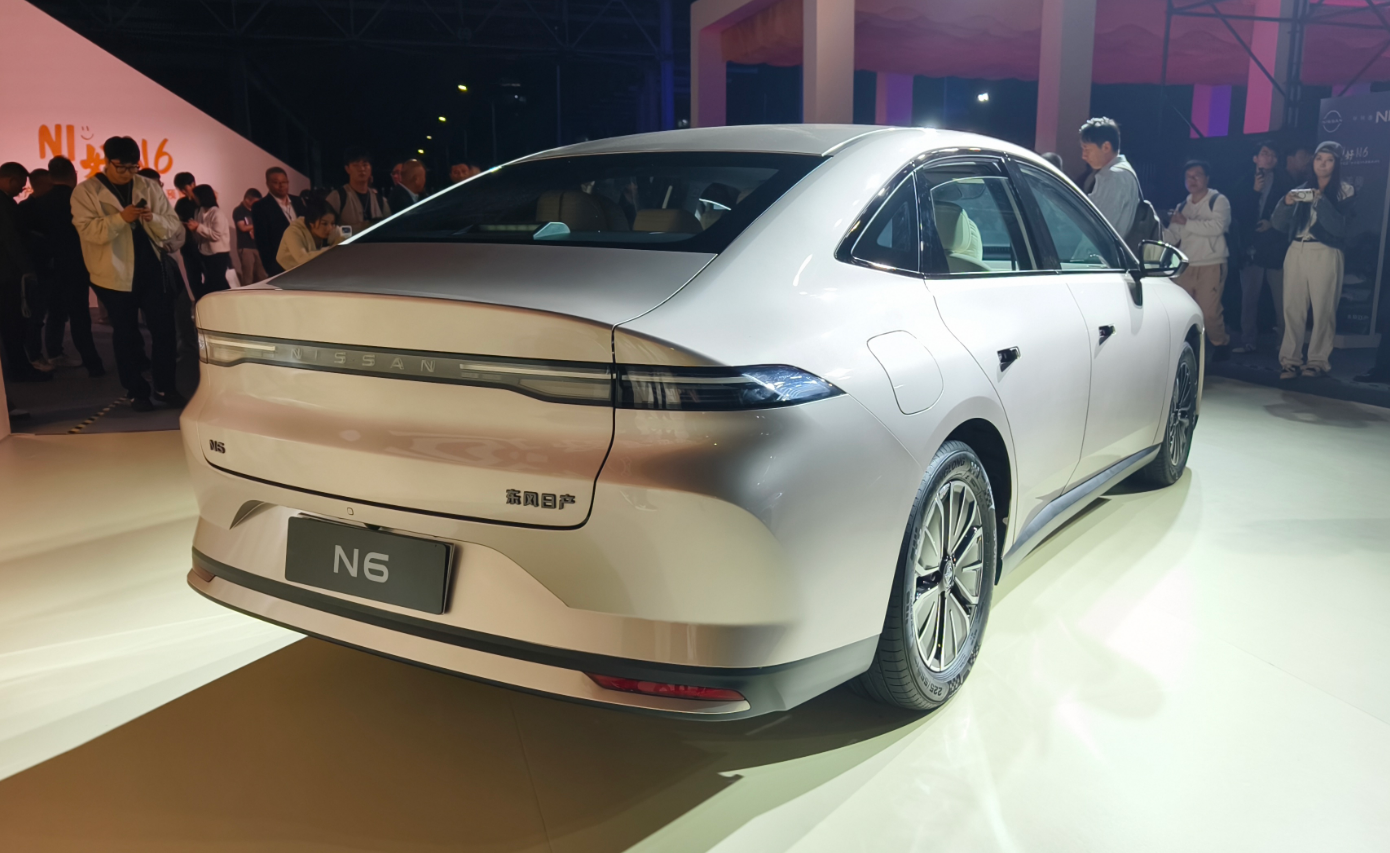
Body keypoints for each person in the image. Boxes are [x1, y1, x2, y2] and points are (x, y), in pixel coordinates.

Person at [70, 136, 183, 411]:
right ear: (107, 162)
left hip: (151, 269)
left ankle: (166, 387)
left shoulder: (148, 185)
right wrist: (121, 218)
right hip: (113, 273)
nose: (127, 173)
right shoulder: (86, 191)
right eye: (121, 167)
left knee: (164, 331)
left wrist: (152, 218)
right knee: (126, 334)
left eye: (133, 167)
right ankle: (136, 391)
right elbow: (88, 231)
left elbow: (172, 224)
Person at [1270, 141, 1356, 380]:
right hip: (1296, 249)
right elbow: (1278, 224)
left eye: (1329, 160)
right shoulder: (1300, 189)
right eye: (1319, 159)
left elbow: (1339, 228)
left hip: (1325, 250)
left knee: (1323, 309)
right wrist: (1286, 203)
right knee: (1292, 308)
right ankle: (1290, 361)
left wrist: (1320, 200)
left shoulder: (1345, 190)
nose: (1323, 164)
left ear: (1337, 164)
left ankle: (1318, 361)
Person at [21, 156, 104, 376]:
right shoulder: (79, 200)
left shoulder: (36, 204)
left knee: (44, 313)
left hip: (46, 267)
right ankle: (91, 362)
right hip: (77, 265)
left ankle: (44, 355)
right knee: (78, 316)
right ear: (73, 174)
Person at [1163, 160, 1233, 359]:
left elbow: (1218, 227)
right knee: (1183, 310)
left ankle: (1220, 343)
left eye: (1196, 175)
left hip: (1212, 263)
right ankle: (1190, 348)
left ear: (1207, 178)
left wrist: (1186, 222)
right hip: (1186, 265)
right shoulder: (1183, 205)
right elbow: (1173, 237)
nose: (1192, 180)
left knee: (1209, 311)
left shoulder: (1218, 200)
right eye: (1188, 177)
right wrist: (1156, 226)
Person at [1233, 140, 1294, 354]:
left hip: (1275, 247)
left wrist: (1273, 224)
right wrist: (1255, 191)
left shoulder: (1285, 183)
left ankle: (1284, 342)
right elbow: (1238, 214)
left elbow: (1292, 216)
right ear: (1255, 158)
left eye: (1273, 155)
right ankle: (1248, 340)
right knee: (1249, 298)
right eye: (1265, 153)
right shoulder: (1244, 182)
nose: (1269, 158)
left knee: (1281, 299)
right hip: (1251, 248)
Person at [0, 161, 51, 383]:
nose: (22, 189)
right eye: (20, 185)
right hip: (8, 274)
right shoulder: (4, 204)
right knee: (13, 322)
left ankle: (18, 367)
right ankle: (20, 369)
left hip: (8, 271)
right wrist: (27, 268)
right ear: (10, 180)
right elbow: (11, 239)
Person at [1079, 117, 1143, 236]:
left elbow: (1097, 228)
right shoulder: (1122, 172)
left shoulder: (1113, 176)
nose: (1084, 156)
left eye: (1087, 149)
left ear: (1106, 147)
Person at [251, 166, 305, 277]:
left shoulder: (298, 201)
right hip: (280, 265)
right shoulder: (260, 207)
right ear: (268, 184)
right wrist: (271, 268)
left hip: (303, 260)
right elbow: (262, 241)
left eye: (284, 182)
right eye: (276, 182)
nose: (281, 186)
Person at [325, 147, 390, 234]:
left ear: (370, 168)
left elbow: (389, 228)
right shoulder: (338, 197)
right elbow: (326, 229)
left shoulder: (380, 200)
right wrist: (355, 230)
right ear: (347, 169)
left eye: (365, 165)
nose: (361, 169)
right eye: (356, 165)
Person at [186, 185, 232, 299]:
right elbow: (200, 234)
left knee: (216, 282)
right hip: (204, 253)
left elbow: (216, 235)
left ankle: (226, 301)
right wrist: (193, 229)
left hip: (219, 254)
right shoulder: (199, 211)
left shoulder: (217, 213)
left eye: (195, 196)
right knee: (214, 282)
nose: (193, 199)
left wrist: (198, 227)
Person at [277, 196, 345, 271]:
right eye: (324, 224)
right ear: (311, 223)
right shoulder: (293, 232)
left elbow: (345, 233)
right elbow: (302, 258)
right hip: (284, 271)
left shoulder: (329, 229)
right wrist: (332, 249)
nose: (330, 228)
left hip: (309, 270)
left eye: (332, 223)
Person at [172, 171, 204, 298]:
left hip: (204, 246)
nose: (184, 192)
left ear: (193, 184)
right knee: (194, 280)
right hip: (188, 247)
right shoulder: (181, 203)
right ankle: (199, 303)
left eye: (185, 188)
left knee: (211, 279)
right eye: (181, 189)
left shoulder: (203, 201)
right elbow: (176, 222)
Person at [233, 188, 266, 284]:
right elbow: (242, 227)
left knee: (262, 274)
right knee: (248, 275)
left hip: (258, 246)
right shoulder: (239, 210)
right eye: (255, 202)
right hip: (246, 247)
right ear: (247, 200)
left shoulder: (257, 210)